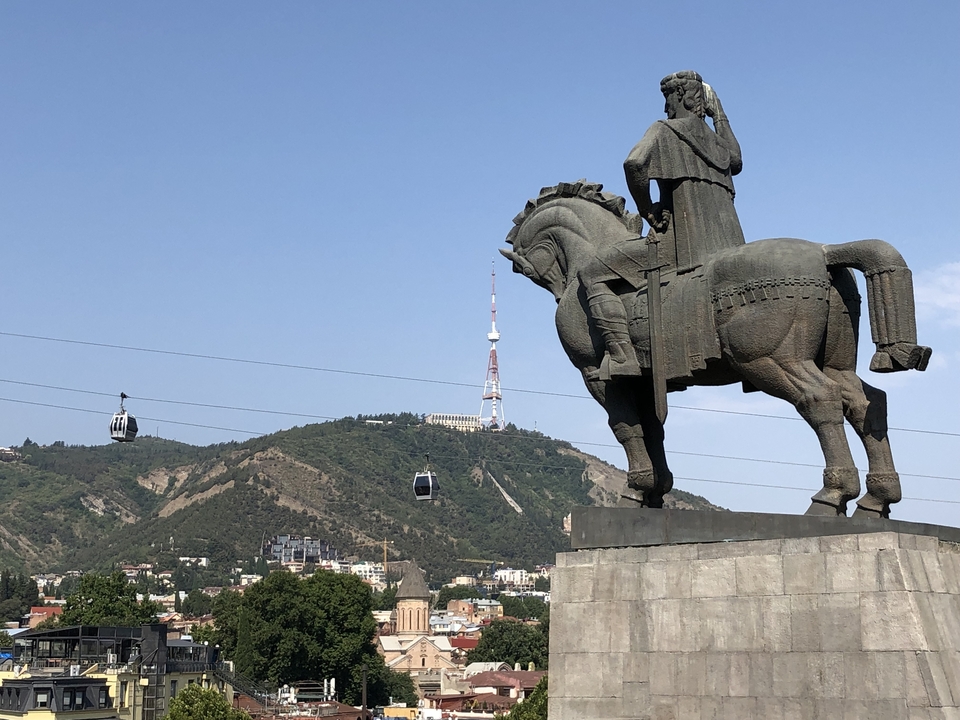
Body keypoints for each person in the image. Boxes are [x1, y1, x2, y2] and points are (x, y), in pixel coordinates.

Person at [580, 71, 744, 378]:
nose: (666, 106)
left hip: (682, 243)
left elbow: (634, 164)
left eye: (668, 96)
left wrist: (648, 211)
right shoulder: (717, 142)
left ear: (681, 96)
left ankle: (622, 356)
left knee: (592, 273)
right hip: (727, 245)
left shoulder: (664, 130)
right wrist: (718, 113)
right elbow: (736, 159)